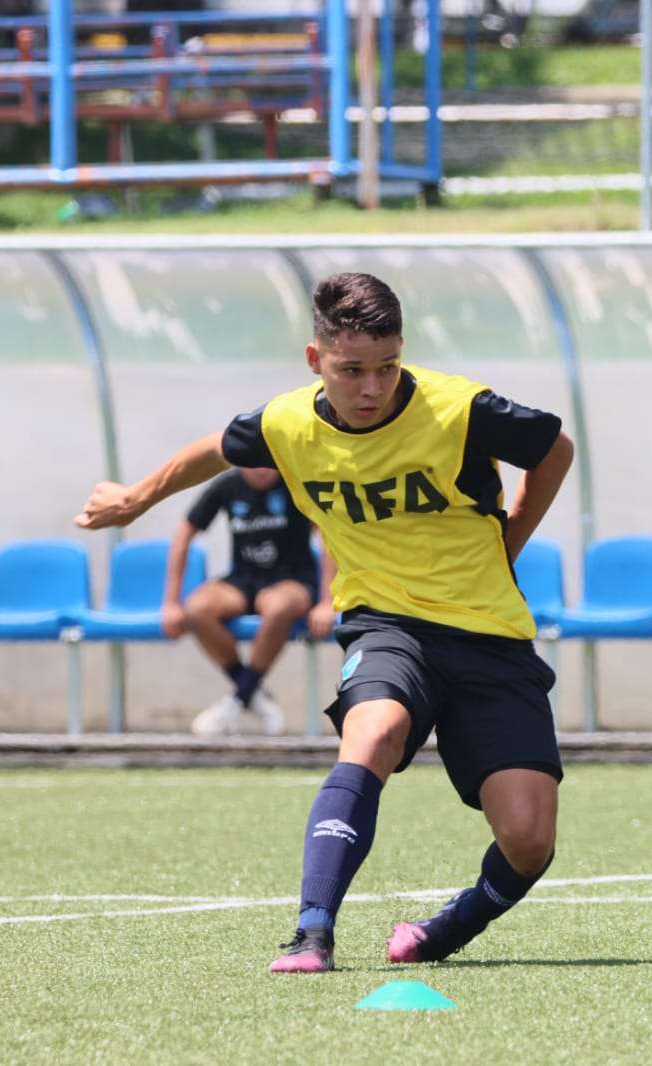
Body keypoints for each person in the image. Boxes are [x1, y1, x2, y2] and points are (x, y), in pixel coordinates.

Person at [75, 272, 574, 973]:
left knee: (529, 839)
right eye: (351, 371)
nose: (372, 388)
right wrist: (134, 498)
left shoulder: (461, 409)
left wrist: (511, 535)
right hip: (385, 622)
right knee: (373, 731)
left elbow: (554, 448)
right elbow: (216, 448)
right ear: (316, 362)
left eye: (386, 367)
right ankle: (313, 934)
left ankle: (442, 933)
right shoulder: (286, 422)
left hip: (489, 632)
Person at [166, 466, 336, 737]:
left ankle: (237, 699)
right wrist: (172, 602)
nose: (260, 469)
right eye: (251, 461)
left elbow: (329, 535)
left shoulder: (297, 481)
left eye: (266, 460)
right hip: (242, 580)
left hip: (291, 580)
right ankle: (251, 692)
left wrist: (327, 601)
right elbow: (184, 533)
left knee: (277, 607)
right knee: (197, 608)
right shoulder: (227, 485)